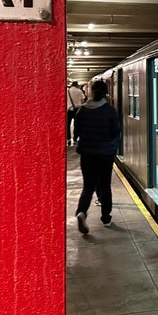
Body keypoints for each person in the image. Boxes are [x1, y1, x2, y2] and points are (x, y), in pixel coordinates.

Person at [73, 80, 120, 234]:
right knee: (105, 185)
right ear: (106, 93)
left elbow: (77, 132)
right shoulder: (110, 111)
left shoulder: (82, 111)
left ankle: (82, 212)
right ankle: (106, 217)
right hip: (105, 154)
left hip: (87, 154)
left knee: (88, 186)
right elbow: (115, 132)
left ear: (91, 92)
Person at [66, 81, 85, 146]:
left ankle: (68, 138)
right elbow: (83, 101)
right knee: (77, 124)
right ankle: (75, 138)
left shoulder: (67, 91)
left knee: (67, 124)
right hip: (78, 109)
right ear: (77, 85)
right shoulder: (79, 91)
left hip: (69, 109)